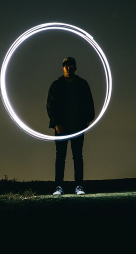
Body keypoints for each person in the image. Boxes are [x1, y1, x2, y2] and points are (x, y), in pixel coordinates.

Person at [46, 57, 95, 195]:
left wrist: (86, 121)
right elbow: (50, 106)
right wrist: (56, 123)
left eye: (71, 65)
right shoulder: (56, 85)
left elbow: (89, 103)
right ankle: (58, 187)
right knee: (60, 157)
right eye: (66, 65)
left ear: (75, 67)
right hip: (61, 127)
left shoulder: (82, 84)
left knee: (78, 156)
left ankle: (79, 186)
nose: (68, 67)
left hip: (78, 126)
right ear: (63, 68)